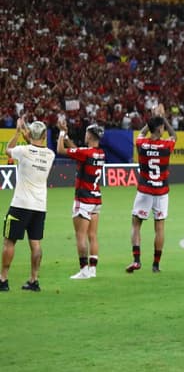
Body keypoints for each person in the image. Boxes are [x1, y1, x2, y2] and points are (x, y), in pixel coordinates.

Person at [1, 118, 55, 292]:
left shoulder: (23, 151)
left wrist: (17, 132)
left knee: (9, 242)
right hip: (39, 206)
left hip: (21, 203)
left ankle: (3, 279)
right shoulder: (50, 154)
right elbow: (35, 147)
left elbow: (8, 150)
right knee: (36, 243)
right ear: (45, 135)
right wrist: (28, 133)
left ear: (30, 134)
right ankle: (34, 280)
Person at [126, 113, 177, 274]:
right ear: (161, 129)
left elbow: (141, 133)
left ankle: (136, 260)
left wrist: (152, 121)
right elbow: (174, 135)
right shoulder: (166, 145)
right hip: (161, 192)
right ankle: (155, 265)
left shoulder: (141, 143)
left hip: (145, 191)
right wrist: (164, 119)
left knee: (136, 224)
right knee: (160, 228)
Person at [57, 119, 105, 280]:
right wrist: (68, 138)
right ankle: (93, 270)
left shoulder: (86, 153)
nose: (84, 135)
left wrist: (62, 133)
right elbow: (79, 151)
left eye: (86, 133)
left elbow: (60, 150)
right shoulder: (100, 153)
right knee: (93, 235)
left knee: (80, 235)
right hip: (96, 199)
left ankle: (83, 269)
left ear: (90, 136)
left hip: (83, 199)